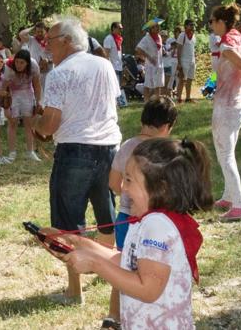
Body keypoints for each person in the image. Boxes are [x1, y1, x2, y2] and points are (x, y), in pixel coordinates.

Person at [46, 138, 212, 330]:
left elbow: (148, 288)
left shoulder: (157, 226)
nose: (123, 187)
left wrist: (94, 263)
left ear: (162, 187)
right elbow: (127, 262)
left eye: (129, 180)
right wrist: (75, 242)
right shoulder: (148, 220)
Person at [34, 18, 121, 304]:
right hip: (109, 148)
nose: (46, 45)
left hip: (75, 151)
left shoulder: (60, 74)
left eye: (50, 39)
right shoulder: (104, 65)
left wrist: (36, 125)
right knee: (106, 216)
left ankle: (75, 291)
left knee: (67, 223)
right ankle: (109, 273)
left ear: (67, 41)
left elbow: (50, 123)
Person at [103, 97, 178, 328]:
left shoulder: (127, 146)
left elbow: (114, 183)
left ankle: (114, 316)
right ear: (167, 126)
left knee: (123, 267)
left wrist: (127, 191)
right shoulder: (166, 151)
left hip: (125, 217)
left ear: (142, 118)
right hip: (156, 221)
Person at [209, 4, 241, 222]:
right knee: (226, 153)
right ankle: (229, 196)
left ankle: (238, 205)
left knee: (226, 155)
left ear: (222, 22)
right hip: (235, 105)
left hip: (228, 106)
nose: (210, 25)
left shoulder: (228, 46)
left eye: (212, 21)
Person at [4, 50, 42, 162]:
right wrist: (6, 107)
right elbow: (4, 88)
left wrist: (39, 101)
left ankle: (30, 151)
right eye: (17, 62)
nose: (18, 65)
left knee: (29, 123)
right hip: (13, 94)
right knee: (12, 122)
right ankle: (12, 152)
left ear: (27, 63)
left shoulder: (34, 65)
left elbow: (37, 85)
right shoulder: (8, 67)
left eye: (22, 63)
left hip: (27, 93)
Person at [135, 16, 165, 101]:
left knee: (158, 84)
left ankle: (157, 102)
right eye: (154, 27)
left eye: (157, 26)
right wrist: (148, 56)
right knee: (148, 84)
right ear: (150, 29)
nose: (157, 28)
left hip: (159, 63)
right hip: (150, 65)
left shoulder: (159, 37)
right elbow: (138, 49)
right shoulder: (146, 38)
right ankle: (146, 102)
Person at [102, 22, 126, 106]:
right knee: (112, 86)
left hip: (119, 66)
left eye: (121, 28)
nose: (121, 30)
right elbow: (106, 54)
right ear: (113, 29)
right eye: (119, 28)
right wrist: (108, 66)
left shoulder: (119, 39)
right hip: (112, 66)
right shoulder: (109, 39)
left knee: (117, 86)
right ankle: (111, 104)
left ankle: (117, 103)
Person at [176, 20, 197, 103]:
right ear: (185, 26)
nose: (192, 26)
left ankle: (188, 98)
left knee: (189, 79)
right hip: (184, 60)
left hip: (192, 61)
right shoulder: (182, 35)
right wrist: (179, 63)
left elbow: (192, 49)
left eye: (193, 25)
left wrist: (195, 58)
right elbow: (179, 49)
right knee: (182, 80)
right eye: (190, 25)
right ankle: (179, 98)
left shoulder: (194, 35)